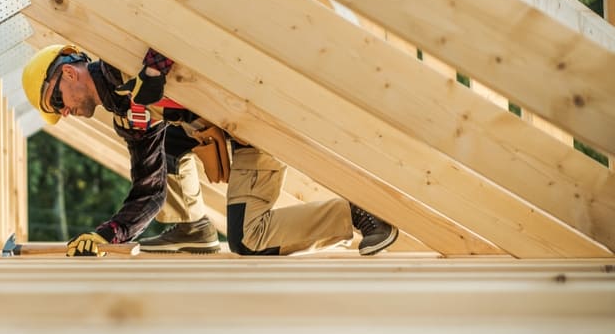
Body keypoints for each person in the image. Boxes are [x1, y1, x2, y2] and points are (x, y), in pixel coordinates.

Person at [21, 44, 398, 257]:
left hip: (256, 123)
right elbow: (149, 190)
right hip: (235, 138)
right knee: (164, 140)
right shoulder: (127, 116)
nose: (65, 112)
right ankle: (193, 226)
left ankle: (355, 214)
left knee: (247, 240)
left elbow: (174, 9)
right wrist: (108, 235)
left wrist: (154, 70)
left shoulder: (122, 49)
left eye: (56, 103)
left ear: (68, 74)